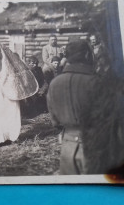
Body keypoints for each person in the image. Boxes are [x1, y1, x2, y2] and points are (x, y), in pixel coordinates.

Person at [47, 40, 118, 175]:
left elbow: (54, 121)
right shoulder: (96, 82)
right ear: (87, 55)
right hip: (94, 146)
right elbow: (108, 118)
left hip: (67, 148)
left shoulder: (54, 83)